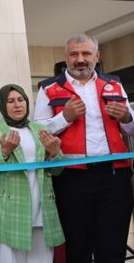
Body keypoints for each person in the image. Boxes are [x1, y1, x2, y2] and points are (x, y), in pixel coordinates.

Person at [34, 34, 134, 263]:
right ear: (66, 57)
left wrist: (128, 117)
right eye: (74, 54)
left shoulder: (114, 84)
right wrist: (64, 118)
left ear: (97, 56)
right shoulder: (48, 88)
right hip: (72, 178)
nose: (80, 59)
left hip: (115, 176)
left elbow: (130, 130)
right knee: (77, 247)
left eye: (86, 53)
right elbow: (37, 132)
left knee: (113, 246)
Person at [0, 84, 65, 263]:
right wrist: (4, 151)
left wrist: (56, 153)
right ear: (2, 105)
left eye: (21, 100)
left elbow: (57, 170)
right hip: (8, 209)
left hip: (41, 207)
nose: (17, 105)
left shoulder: (40, 129)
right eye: (10, 101)